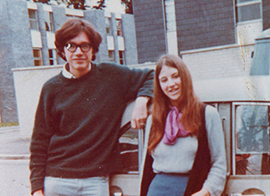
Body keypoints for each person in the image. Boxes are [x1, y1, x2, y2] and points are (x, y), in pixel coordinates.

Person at [29, 18, 154, 196]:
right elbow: (39, 141)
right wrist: (36, 188)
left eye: (85, 46)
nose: (78, 52)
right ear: (63, 50)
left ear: (93, 49)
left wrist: (143, 99)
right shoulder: (51, 88)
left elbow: (153, 75)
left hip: (95, 183)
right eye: (71, 46)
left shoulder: (112, 76)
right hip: (56, 181)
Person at [140, 54, 226, 196]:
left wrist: (206, 191)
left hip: (192, 189)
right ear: (159, 85)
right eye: (164, 80)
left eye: (175, 76)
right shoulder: (154, 120)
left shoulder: (207, 114)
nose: (171, 84)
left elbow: (219, 163)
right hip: (156, 190)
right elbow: (145, 168)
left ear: (185, 77)